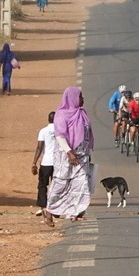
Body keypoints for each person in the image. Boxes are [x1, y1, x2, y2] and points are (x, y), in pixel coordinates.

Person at [44, 87, 94, 226]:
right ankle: (49, 211)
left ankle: (75, 213)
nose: (82, 99)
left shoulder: (82, 113)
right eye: (80, 96)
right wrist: (69, 152)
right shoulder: (61, 114)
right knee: (60, 182)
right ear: (72, 98)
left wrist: (87, 152)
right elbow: (60, 135)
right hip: (66, 155)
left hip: (82, 155)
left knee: (81, 183)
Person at [31, 111, 56, 217]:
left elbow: (39, 147)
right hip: (58, 163)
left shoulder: (43, 131)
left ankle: (43, 207)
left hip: (46, 162)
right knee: (56, 185)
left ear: (48, 119)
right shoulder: (61, 131)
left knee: (42, 185)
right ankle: (55, 209)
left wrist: (34, 162)